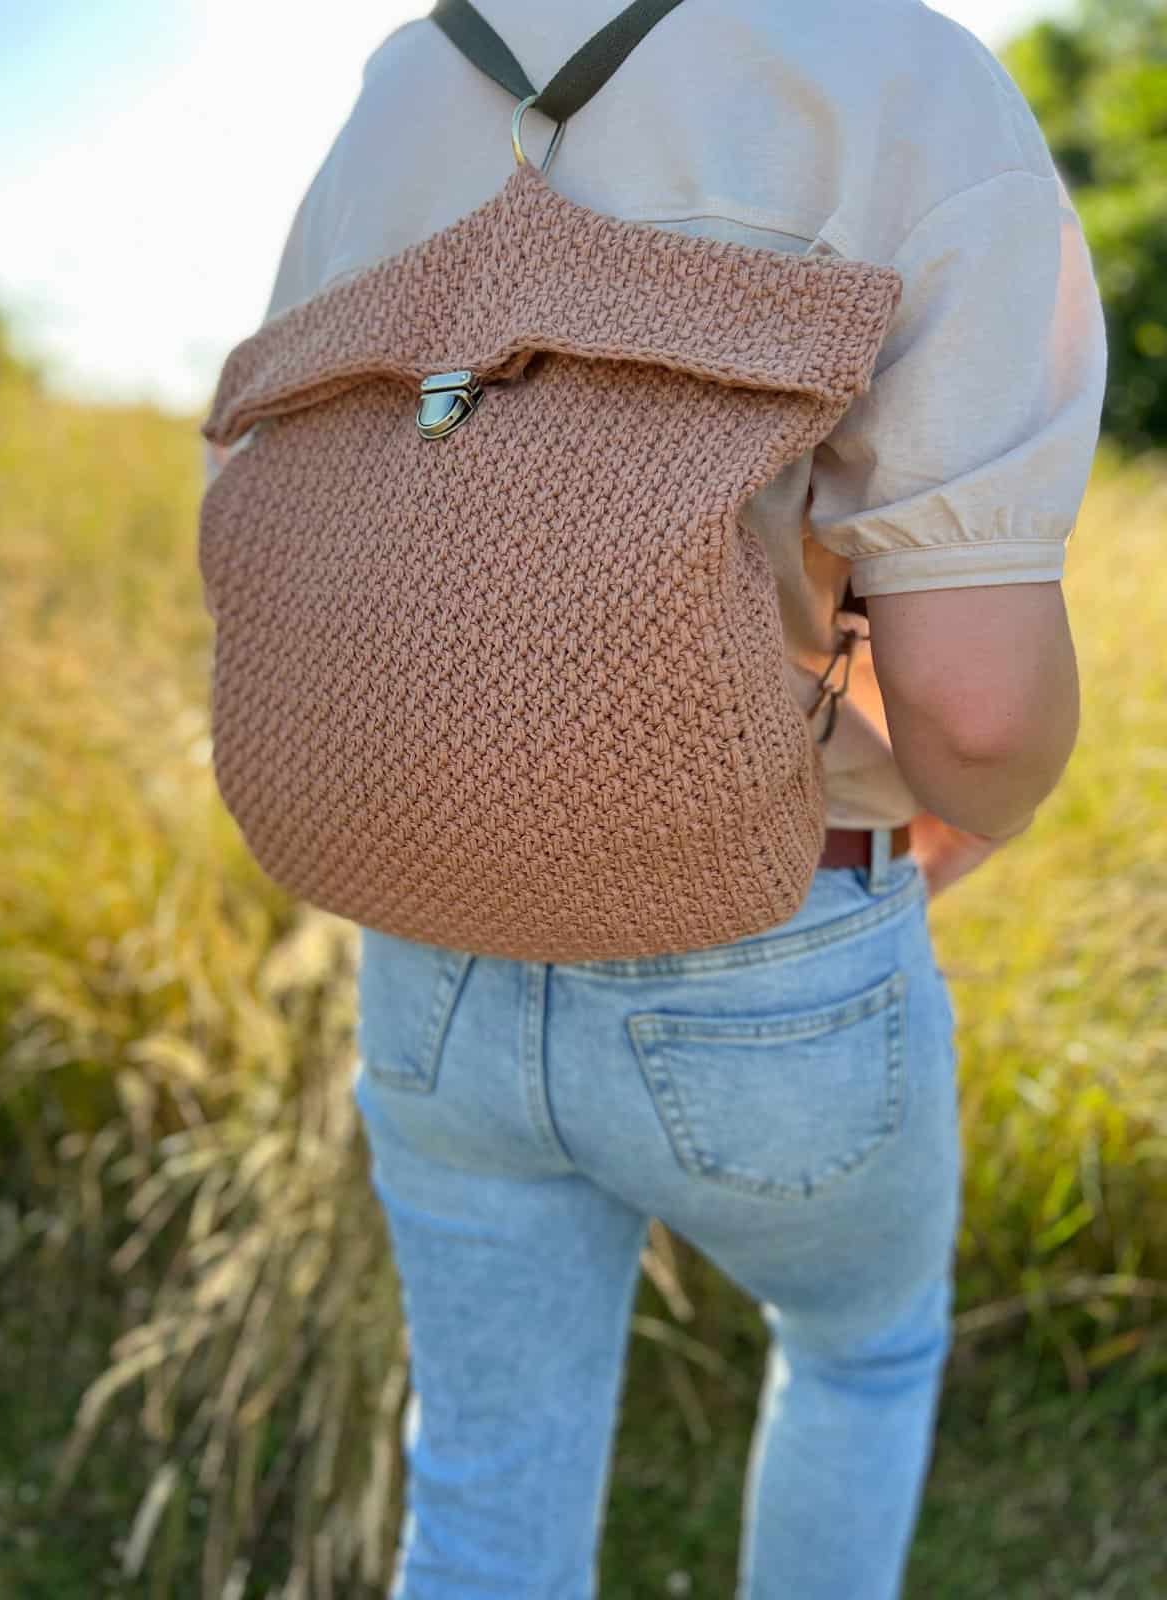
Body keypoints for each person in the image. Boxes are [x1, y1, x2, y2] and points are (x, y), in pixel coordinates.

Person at [206, 1, 1108, 1594]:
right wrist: (970, 809)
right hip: (776, 943)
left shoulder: (400, 89)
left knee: (483, 1490)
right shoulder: (903, 80)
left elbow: (253, 517)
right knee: (859, 1356)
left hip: (423, 950)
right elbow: (978, 705)